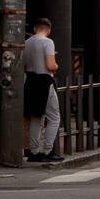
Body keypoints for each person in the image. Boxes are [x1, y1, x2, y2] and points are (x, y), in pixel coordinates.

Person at [23, 18, 63, 163]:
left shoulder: (26, 43)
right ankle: (47, 150)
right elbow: (51, 65)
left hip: (30, 80)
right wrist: (57, 64)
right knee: (54, 117)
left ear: (35, 28)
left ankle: (34, 151)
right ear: (48, 30)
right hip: (44, 80)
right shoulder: (48, 42)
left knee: (35, 116)